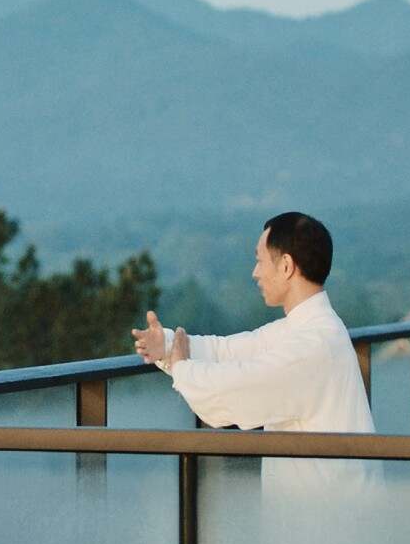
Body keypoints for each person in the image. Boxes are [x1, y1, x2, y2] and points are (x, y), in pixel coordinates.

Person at [130, 213, 373, 499]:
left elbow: (235, 385)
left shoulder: (314, 344)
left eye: (260, 261)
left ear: (286, 266)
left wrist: (182, 366)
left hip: (328, 514)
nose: (255, 273)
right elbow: (229, 352)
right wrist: (168, 345)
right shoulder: (309, 330)